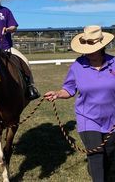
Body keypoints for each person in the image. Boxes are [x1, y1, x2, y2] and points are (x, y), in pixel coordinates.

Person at [44, 25, 115, 182]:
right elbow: (69, 89)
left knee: (110, 156)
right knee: (96, 156)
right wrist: (57, 94)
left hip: (112, 120)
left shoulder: (113, 63)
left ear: (102, 46)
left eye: (92, 46)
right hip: (88, 118)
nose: (89, 50)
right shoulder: (78, 65)